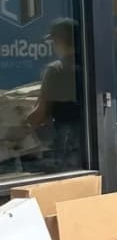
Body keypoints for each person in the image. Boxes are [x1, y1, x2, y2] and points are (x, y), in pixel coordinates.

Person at [25, 18, 82, 173]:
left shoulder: (56, 70)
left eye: (54, 41)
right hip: (86, 142)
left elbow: (40, 114)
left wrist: (21, 123)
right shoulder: (89, 65)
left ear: (60, 40)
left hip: (65, 141)